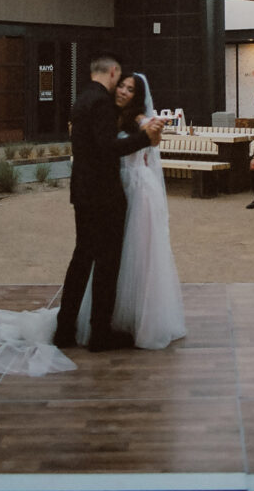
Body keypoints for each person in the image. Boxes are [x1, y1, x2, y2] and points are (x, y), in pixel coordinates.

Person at [53, 54, 165, 352]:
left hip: (82, 191)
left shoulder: (82, 99)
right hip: (103, 195)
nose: (121, 89)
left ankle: (64, 328)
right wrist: (145, 140)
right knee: (106, 265)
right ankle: (100, 333)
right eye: (120, 81)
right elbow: (108, 147)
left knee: (81, 259)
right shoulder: (101, 102)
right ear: (113, 72)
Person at [75, 72, 186, 350]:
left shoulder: (140, 120)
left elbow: (153, 141)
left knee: (139, 252)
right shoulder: (110, 115)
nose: (123, 92)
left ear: (138, 96)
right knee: (115, 255)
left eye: (130, 89)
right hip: (115, 186)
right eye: (122, 86)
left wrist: (153, 127)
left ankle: (138, 319)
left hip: (138, 187)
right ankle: (110, 318)